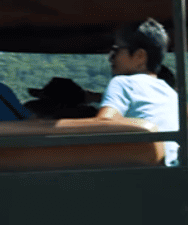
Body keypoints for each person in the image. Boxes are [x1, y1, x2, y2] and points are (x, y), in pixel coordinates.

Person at [49, 19, 180, 165]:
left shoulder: (124, 83)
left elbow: (104, 124)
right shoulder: (171, 94)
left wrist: (48, 126)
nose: (111, 57)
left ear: (139, 57)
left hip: (138, 171)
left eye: (116, 50)